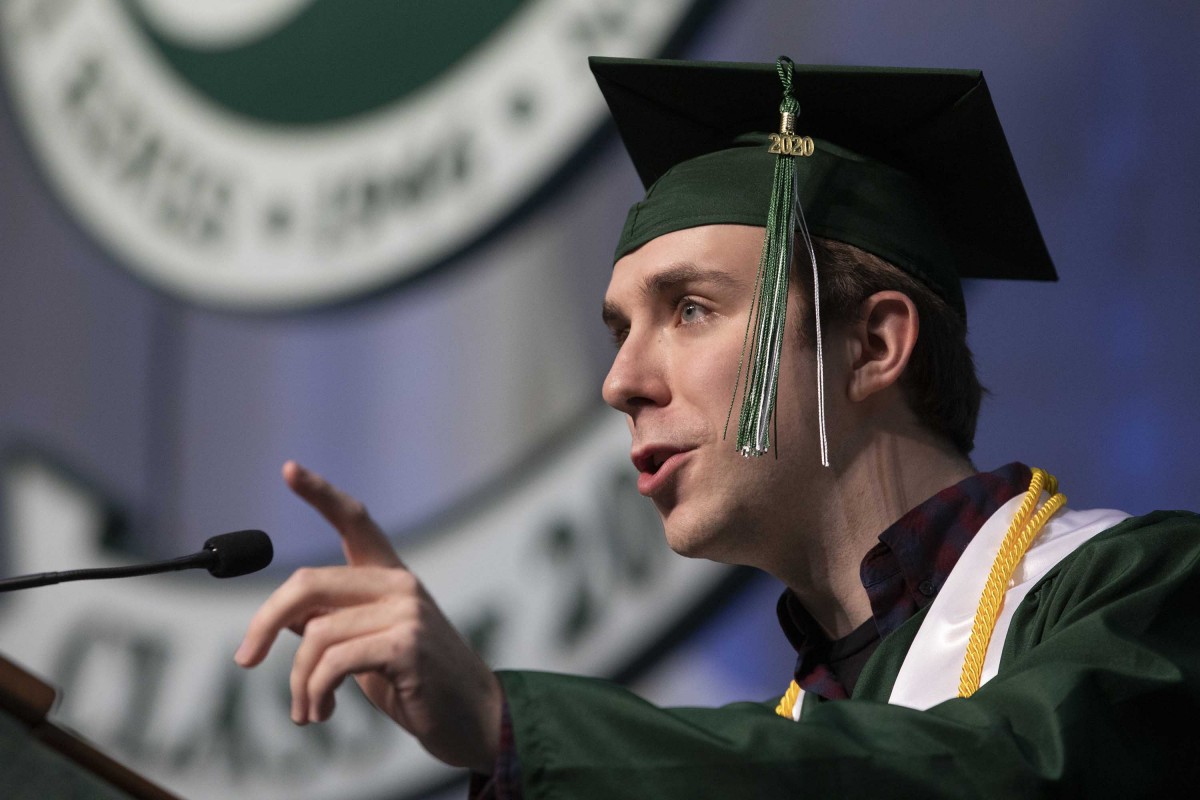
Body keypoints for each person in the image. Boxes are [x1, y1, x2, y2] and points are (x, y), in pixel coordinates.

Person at [235, 57, 1200, 797]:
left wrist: (507, 719)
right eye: (620, 331)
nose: (619, 382)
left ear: (873, 345)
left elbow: (997, 774)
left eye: (690, 309)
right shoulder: (794, 722)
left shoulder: (1151, 590)